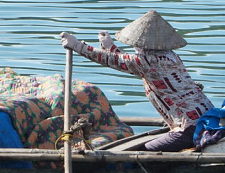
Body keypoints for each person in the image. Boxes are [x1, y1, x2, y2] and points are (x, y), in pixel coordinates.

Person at [60, 10, 213, 151]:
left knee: (144, 152)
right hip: (207, 117)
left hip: (189, 127)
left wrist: (78, 46)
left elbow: (117, 61)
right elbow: (131, 64)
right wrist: (111, 47)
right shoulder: (170, 56)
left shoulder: (147, 61)